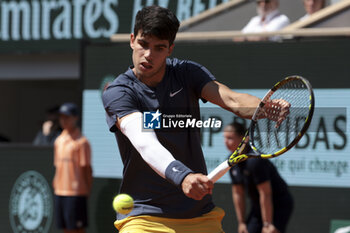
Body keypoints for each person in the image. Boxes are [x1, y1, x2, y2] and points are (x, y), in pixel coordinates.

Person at [102, 5, 289, 233]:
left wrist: (265, 108)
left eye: (159, 48)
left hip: (200, 216)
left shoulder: (186, 73)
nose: (149, 55)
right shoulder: (119, 92)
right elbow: (145, 143)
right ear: (132, 40)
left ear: (170, 49)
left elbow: (231, 99)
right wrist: (183, 177)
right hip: (144, 218)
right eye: (143, 44)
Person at [224, 122, 293, 233]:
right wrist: (241, 222)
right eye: (225, 138)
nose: (226, 142)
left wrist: (267, 224)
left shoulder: (255, 161)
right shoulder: (231, 162)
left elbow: (265, 193)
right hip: (258, 206)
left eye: (230, 138)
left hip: (279, 204)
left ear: (244, 139)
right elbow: (238, 193)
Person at [53, 102, 93, 233]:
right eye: (61, 117)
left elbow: (86, 168)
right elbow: (57, 166)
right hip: (59, 191)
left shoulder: (82, 142)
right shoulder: (58, 140)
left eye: (67, 117)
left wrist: (87, 189)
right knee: (65, 228)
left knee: (77, 229)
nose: (63, 120)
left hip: (76, 192)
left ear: (75, 118)